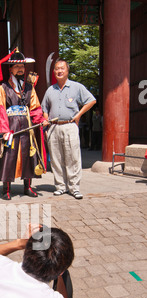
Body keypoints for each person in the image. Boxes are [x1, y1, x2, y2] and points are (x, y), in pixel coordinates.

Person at [0, 50, 48, 200]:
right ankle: (6, 189)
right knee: (9, 156)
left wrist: (40, 120)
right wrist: (4, 130)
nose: (20, 69)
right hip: (10, 127)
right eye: (16, 67)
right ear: (10, 69)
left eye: (22, 66)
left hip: (26, 125)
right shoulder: (3, 88)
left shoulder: (29, 88)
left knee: (28, 155)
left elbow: (35, 107)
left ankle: (28, 187)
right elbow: (0, 109)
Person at [41, 59, 96, 199]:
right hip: (54, 127)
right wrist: (46, 122)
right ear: (54, 72)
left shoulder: (76, 87)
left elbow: (91, 100)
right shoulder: (50, 90)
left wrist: (79, 115)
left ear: (67, 70)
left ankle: (74, 187)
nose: (59, 71)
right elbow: (44, 108)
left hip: (70, 125)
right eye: (57, 69)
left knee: (73, 157)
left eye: (62, 68)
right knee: (56, 158)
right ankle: (60, 186)